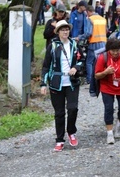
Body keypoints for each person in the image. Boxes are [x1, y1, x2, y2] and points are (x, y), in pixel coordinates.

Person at [40, 20, 84, 152]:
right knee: (59, 113)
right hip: (56, 83)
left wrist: (76, 67)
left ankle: (71, 132)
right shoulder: (52, 46)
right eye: (62, 29)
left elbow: (82, 59)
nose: (65, 32)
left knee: (73, 109)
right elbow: (46, 66)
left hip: (72, 83)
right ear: (58, 32)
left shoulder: (74, 44)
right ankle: (60, 140)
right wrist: (43, 84)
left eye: (67, 29)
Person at [80, 5, 107, 94]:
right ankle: (102, 80)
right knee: (102, 61)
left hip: (94, 43)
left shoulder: (90, 19)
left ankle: (90, 81)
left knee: (89, 62)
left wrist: (80, 37)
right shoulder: (103, 19)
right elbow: (106, 31)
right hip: (103, 43)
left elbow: (88, 33)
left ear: (88, 11)